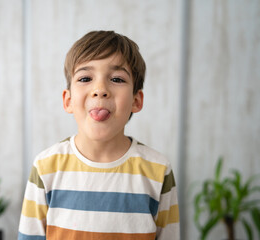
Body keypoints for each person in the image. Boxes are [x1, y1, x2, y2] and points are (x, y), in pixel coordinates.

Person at [18, 30, 180, 240]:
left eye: (117, 79)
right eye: (85, 78)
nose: (100, 89)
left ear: (136, 100)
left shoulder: (158, 171)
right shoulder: (45, 167)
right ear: (67, 100)